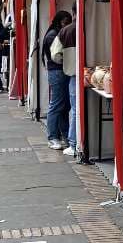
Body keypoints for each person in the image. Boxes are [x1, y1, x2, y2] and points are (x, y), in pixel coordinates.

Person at [41, 11, 72, 150]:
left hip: (59, 71)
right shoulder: (53, 35)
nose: (66, 25)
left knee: (62, 105)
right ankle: (53, 137)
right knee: (57, 105)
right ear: (59, 21)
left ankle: (63, 135)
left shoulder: (54, 33)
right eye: (65, 22)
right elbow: (56, 56)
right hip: (57, 71)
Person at [57, 18, 79, 156]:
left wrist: (66, 62)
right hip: (94, 72)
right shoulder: (95, 24)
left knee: (76, 110)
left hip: (74, 73)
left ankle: (74, 143)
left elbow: (54, 53)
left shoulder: (66, 30)